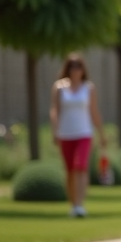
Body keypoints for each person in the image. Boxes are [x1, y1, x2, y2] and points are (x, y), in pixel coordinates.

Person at [49, 53, 107, 218]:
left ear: (83, 69)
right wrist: (55, 130)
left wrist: (102, 133)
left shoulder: (89, 88)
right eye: (72, 66)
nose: (75, 70)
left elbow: (94, 112)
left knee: (80, 166)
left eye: (78, 66)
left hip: (84, 133)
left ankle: (80, 204)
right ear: (67, 68)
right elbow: (55, 110)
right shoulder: (59, 87)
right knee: (69, 171)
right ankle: (73, 204)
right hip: (65, 133)